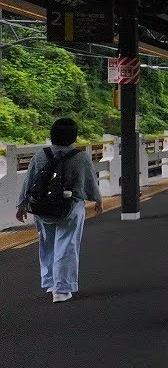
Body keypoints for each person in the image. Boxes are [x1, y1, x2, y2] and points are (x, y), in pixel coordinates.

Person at [16, 117, 103, 302]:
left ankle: (50, 282)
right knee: (67, 245)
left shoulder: (41, 154)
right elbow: (90, 182)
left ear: (52, 135)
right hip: (70, 207)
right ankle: (62, 289)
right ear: (73, 136)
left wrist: (21, 205)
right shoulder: (80, 156)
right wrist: (97, 200)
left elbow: (28, 180)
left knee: (46, 244)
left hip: (41, 207)